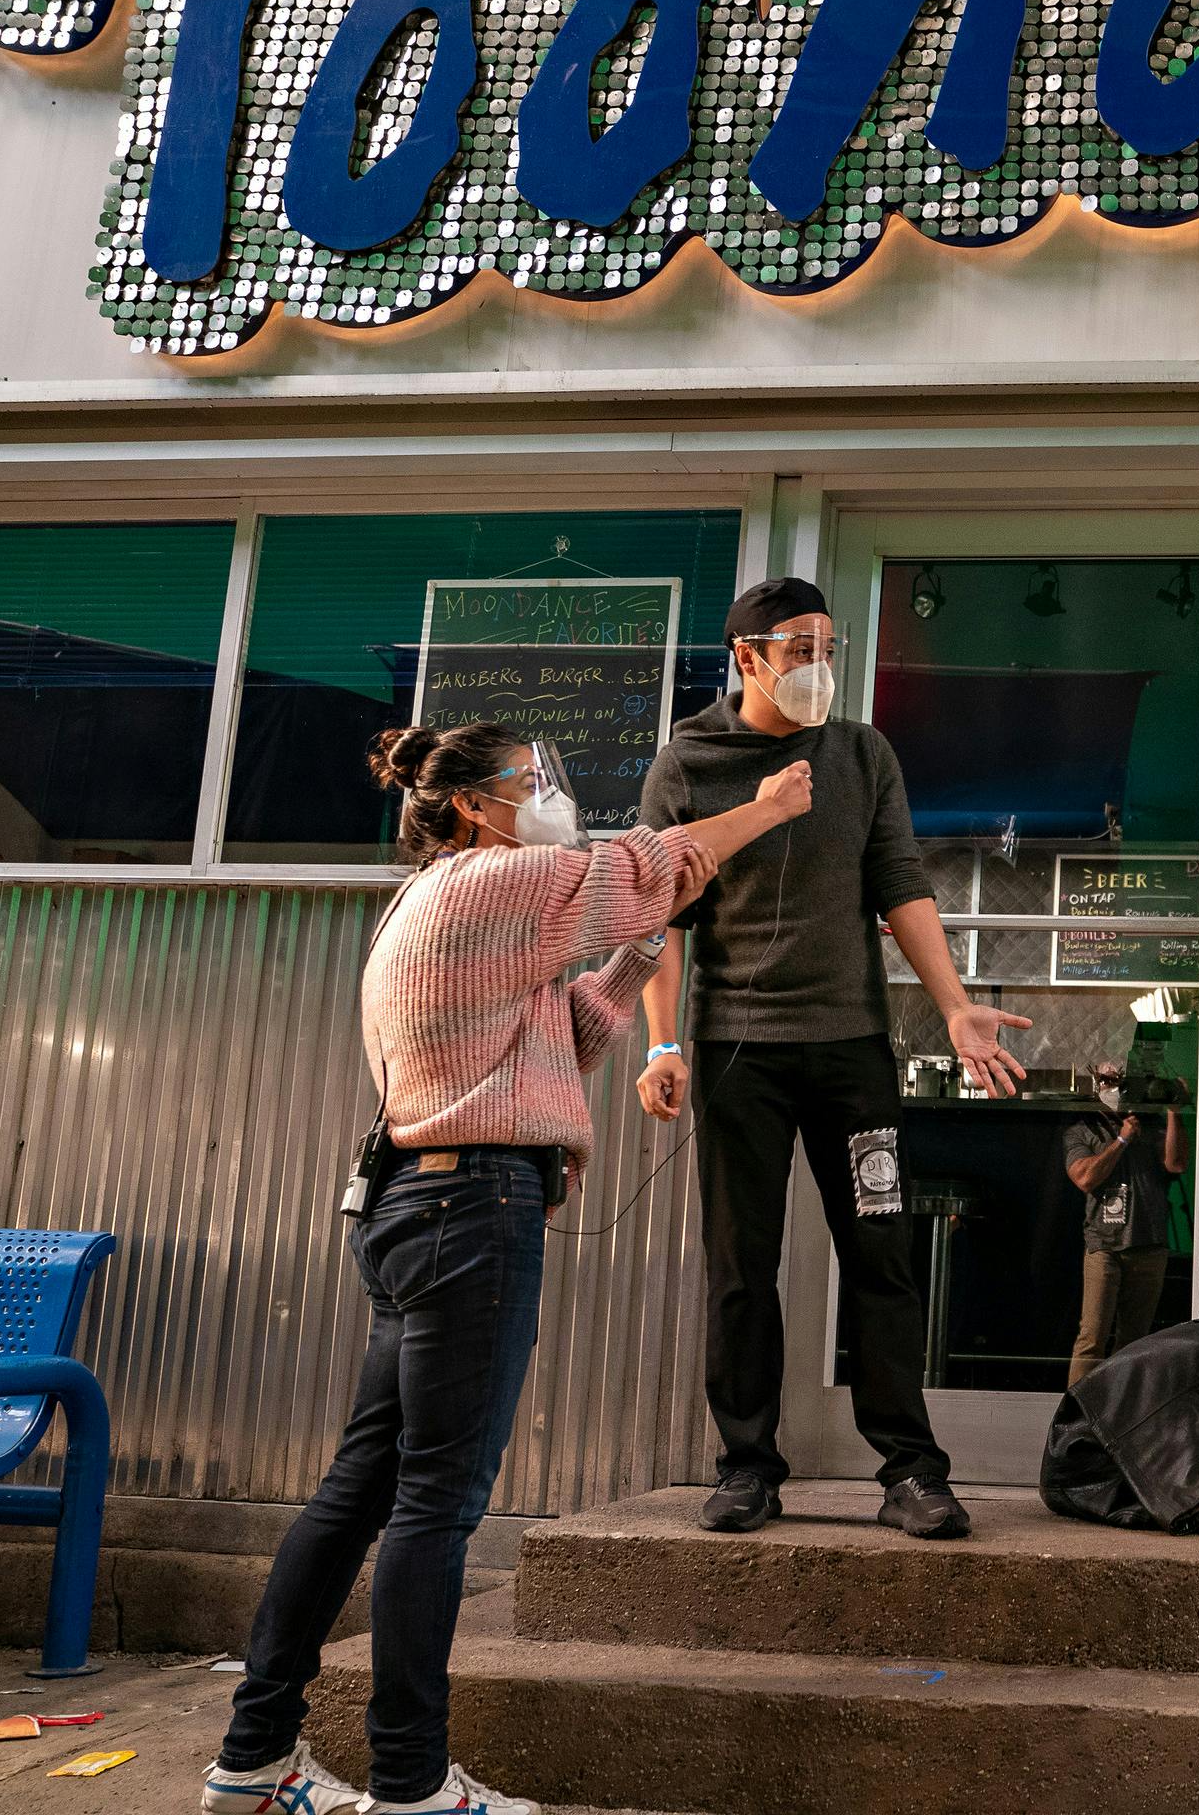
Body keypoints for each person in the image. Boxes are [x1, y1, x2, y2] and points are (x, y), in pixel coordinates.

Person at [202, 719, 808, 1815]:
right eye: (535, 782)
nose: (554, 799)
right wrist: (761, 810)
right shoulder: (487, 885)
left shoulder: (435, 902)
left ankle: (251, 1758)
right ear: (480, 804)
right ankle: (411, 1780)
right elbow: (644, 863)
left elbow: (556, 1033)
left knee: (362, 1489)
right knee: (436, 1502)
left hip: (421, 1198)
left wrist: (633, 957)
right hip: (469, 1207)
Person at [636, 576, 1030, 1540]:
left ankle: (911, 1470)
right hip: (737, 1053)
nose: (817, 666)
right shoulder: (688, 761)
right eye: (797, 648)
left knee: (882, 1253)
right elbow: (660, 913)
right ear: (748, 657)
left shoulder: (860, 752)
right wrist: (663, 1041)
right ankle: (744, 1467)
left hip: (853, 1050)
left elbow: (899, 881)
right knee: (741, 1263)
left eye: (827, 646)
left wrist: (953, 1008)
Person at [1063, 1063, 1189, 1385]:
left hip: (1148, 1245)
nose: (1115, 1088)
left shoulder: (1154, 1124)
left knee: (1134, 1342)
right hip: (1104, 1245)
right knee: (1092, 1337)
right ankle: (1077, 1412)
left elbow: (1176, 1163)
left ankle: (1122, 1411)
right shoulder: (1083, 1129)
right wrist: (1121, 1139)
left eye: (1120, 1081)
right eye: (1107, 1081)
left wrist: (1173, 1106)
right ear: (1095, 1084)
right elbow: (1085, 1177)